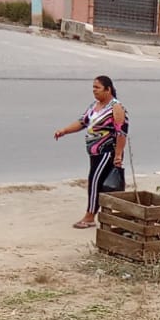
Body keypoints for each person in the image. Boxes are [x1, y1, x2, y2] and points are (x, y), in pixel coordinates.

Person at [53, 75, 127, 229]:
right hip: (94, 153)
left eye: (97, 87)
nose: (94, 90)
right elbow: (82, 122)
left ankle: (89, 217)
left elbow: (121, 133)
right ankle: (103, 215)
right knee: (99, 183)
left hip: (107, 151)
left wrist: (118, 155)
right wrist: (64, 131)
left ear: (108, 89)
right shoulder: (95, 106)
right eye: (93, 87)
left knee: (95, 181)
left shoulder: (116, 107)